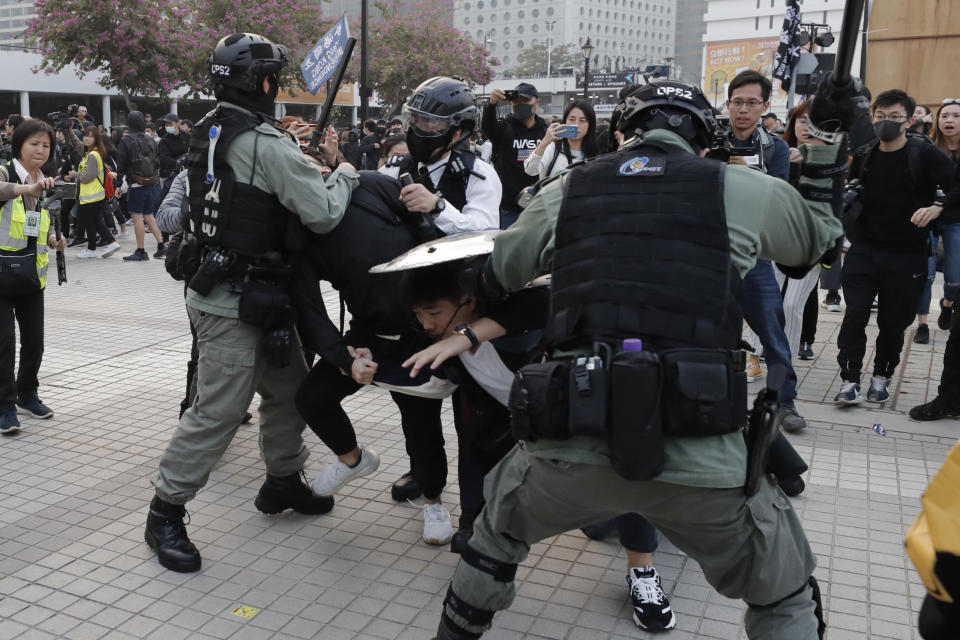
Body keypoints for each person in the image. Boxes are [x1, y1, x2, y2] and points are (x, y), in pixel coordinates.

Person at [423, 77, 852, 640]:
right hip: (705, 457)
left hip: (567, 448)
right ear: (705, 142)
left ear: (623, 133)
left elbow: (500, 274)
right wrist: (823, 146)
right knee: (785, 590)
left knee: (493, 538)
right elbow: (820, 244)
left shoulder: (566, 189)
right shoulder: (744, 189)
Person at [145, 32, 359, 574]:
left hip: (250, 293)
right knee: (217, 412)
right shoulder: (266, 143)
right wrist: (347, 172)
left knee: (287, 393)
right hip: (234, 303)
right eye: (275, 79)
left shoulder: (207, 129)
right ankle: (164, 511)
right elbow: (324, 213)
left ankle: (283, 481)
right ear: (263, 83)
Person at [402, 264, 678, 632]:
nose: (427, 324)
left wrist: (466, 335)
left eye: (433, 312)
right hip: (536, 438)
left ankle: (642, 573)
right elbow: (400, 359)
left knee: (626, 481)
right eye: (419, 315)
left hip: (593, 417)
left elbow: (541, 300)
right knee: (596, 525)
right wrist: (352, 361)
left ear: (468, 300)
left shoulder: (517, 327)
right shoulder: (437, 342)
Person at [834, 89, 960, 406]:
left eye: (894, 117)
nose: (886, 122)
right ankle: (849, 380)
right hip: (864, 250)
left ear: (909, 120)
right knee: (855, 316)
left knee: (892, 323)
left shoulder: (924, 154)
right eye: (880, 116)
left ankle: (882, 375)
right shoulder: (864, 154)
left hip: (907, 255)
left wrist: (939, 208)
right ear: (872, 117)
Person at [724, 70, 806, 431]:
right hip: (710, 252)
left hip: (754, 255)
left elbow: (779, 199)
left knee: (772, 328)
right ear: (727, 104)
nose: (743, 110)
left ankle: (785, 402)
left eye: (751, 103)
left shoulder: (775, 148)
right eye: (737, 102)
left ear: (764, 106)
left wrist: (745, 175)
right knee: (709, 330)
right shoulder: (706, 140)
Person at [0, 119, 67, 434]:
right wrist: (28, 188)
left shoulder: (46, 181)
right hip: (1, 277)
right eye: (34, 144)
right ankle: (4, 406)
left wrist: (54, 239)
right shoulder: (5, 173)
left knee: (34, 342)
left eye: (46, 145)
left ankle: (27, 394)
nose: (41, 150)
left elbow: (40, 222)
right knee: (3, 344)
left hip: (31, 278)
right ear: (19, 146)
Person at [482, 82, 548, 228]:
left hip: (539, 206)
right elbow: (487, 127)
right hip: (509, 207)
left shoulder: (546, 131)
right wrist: (491, 104)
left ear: (536, 103)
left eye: (525, 101)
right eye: (516, 102)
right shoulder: (504, 127)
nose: (520, 105)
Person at [116, 111, 166, 261]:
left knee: (137, 217)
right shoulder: (151, 139)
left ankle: (141, 251)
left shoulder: (126, 140)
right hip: (151, 182)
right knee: (149, 216)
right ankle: (161, 245)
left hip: (137, 183)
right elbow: (158, 160)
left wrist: (119, 184)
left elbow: (121, 165)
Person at [929, 99, 960, 332]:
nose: (949, 120)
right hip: (927, 218)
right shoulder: (928, 148)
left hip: (955, 219)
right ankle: (921, 322)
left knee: (954, 275)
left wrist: (943, 203)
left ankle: (948, 302)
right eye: (945, 115)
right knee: (924, 274)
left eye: (956, 116)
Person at [68, 126, 120, 259]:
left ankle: (110, 242)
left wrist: (75, 175)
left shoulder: (92, 155)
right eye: (85, 135)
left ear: (96, 139)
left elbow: (88, 177)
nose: (86, 138)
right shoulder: (89, 154)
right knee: (91, 221)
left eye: (90, 136)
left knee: (93, 221)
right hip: (90, 196)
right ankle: (93, 248)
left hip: (92, 196)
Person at [524, 99, 599, 180]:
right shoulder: (553, 147)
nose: (576, 124)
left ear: (590, 125)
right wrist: (545, 142)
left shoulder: (594, 152)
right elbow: (530, 170)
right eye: (571, 119)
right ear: (565, 121)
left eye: (582, 120)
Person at [158, 113, 189, 196]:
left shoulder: (187, 136)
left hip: (186, 175)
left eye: (170, 123)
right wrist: (178, 162)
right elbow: (164, 158)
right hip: (168, 175)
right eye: (166, 124)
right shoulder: (164, 140)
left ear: (178, 123)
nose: (168, 126)